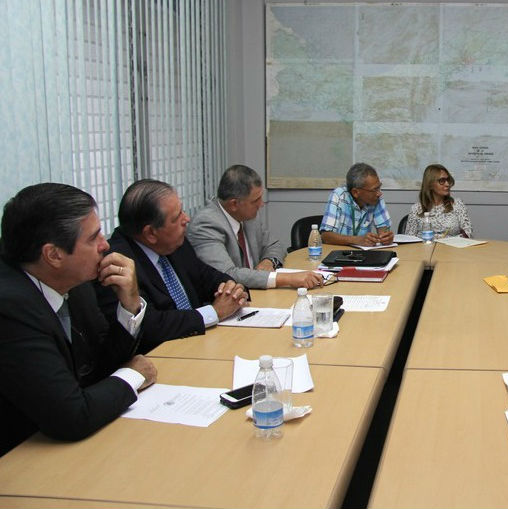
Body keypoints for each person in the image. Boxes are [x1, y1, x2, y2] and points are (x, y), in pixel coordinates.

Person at [0, 183, 157, 456]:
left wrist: (130, 302)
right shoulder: (10, 307)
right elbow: (72, 417)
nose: (105, 245)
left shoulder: (75, 281)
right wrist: (134, 376)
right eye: (93, 237)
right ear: (54, 255)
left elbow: (100, 365)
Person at [99, 179, 247, 353]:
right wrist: (215, 312)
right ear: (151, 233)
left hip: (200, 345)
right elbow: (150, 325)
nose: (187, 219)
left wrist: (230, 288)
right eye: (177, 217)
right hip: (163, 357)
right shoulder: (118, 265)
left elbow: (205, 275)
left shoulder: (174, 243)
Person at [187, 165, 323, 290]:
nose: (261, 204)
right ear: (234, 204)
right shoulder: (206, 224)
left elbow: (274, 245)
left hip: (258, 294)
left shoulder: (248, 216)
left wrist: (269, 261)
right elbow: (227, 274)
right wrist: (287, 278)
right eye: (255, 200)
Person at [320, 163, 394, 247]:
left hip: (363, 255)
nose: (379, 193)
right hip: (337, 252)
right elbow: (326, 236)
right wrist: (357, 240)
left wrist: (386, 238)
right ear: (355, 192)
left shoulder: (376, 198)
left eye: (379, 187)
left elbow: (384, 231)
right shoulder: (339, 196)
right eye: (375, 189)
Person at [404, 164, 473, 238]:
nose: (447, 184)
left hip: (451, 248)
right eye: (442, 181)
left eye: (448, 180)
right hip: (423, 247)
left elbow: (468, 233)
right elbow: (409, 239)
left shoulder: (457, 204)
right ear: (430, 184)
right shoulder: (416, 209)